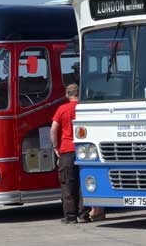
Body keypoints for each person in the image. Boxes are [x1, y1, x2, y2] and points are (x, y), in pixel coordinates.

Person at [51, 84, 91, 224]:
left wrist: (56, 147)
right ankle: (84, 215)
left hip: (67, 150)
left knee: (67, 184)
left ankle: (70, 216)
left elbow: (54, 129)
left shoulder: (62, 109)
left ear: (67, 95)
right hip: (85, 151)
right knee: (84, 183)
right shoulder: (84, 107)